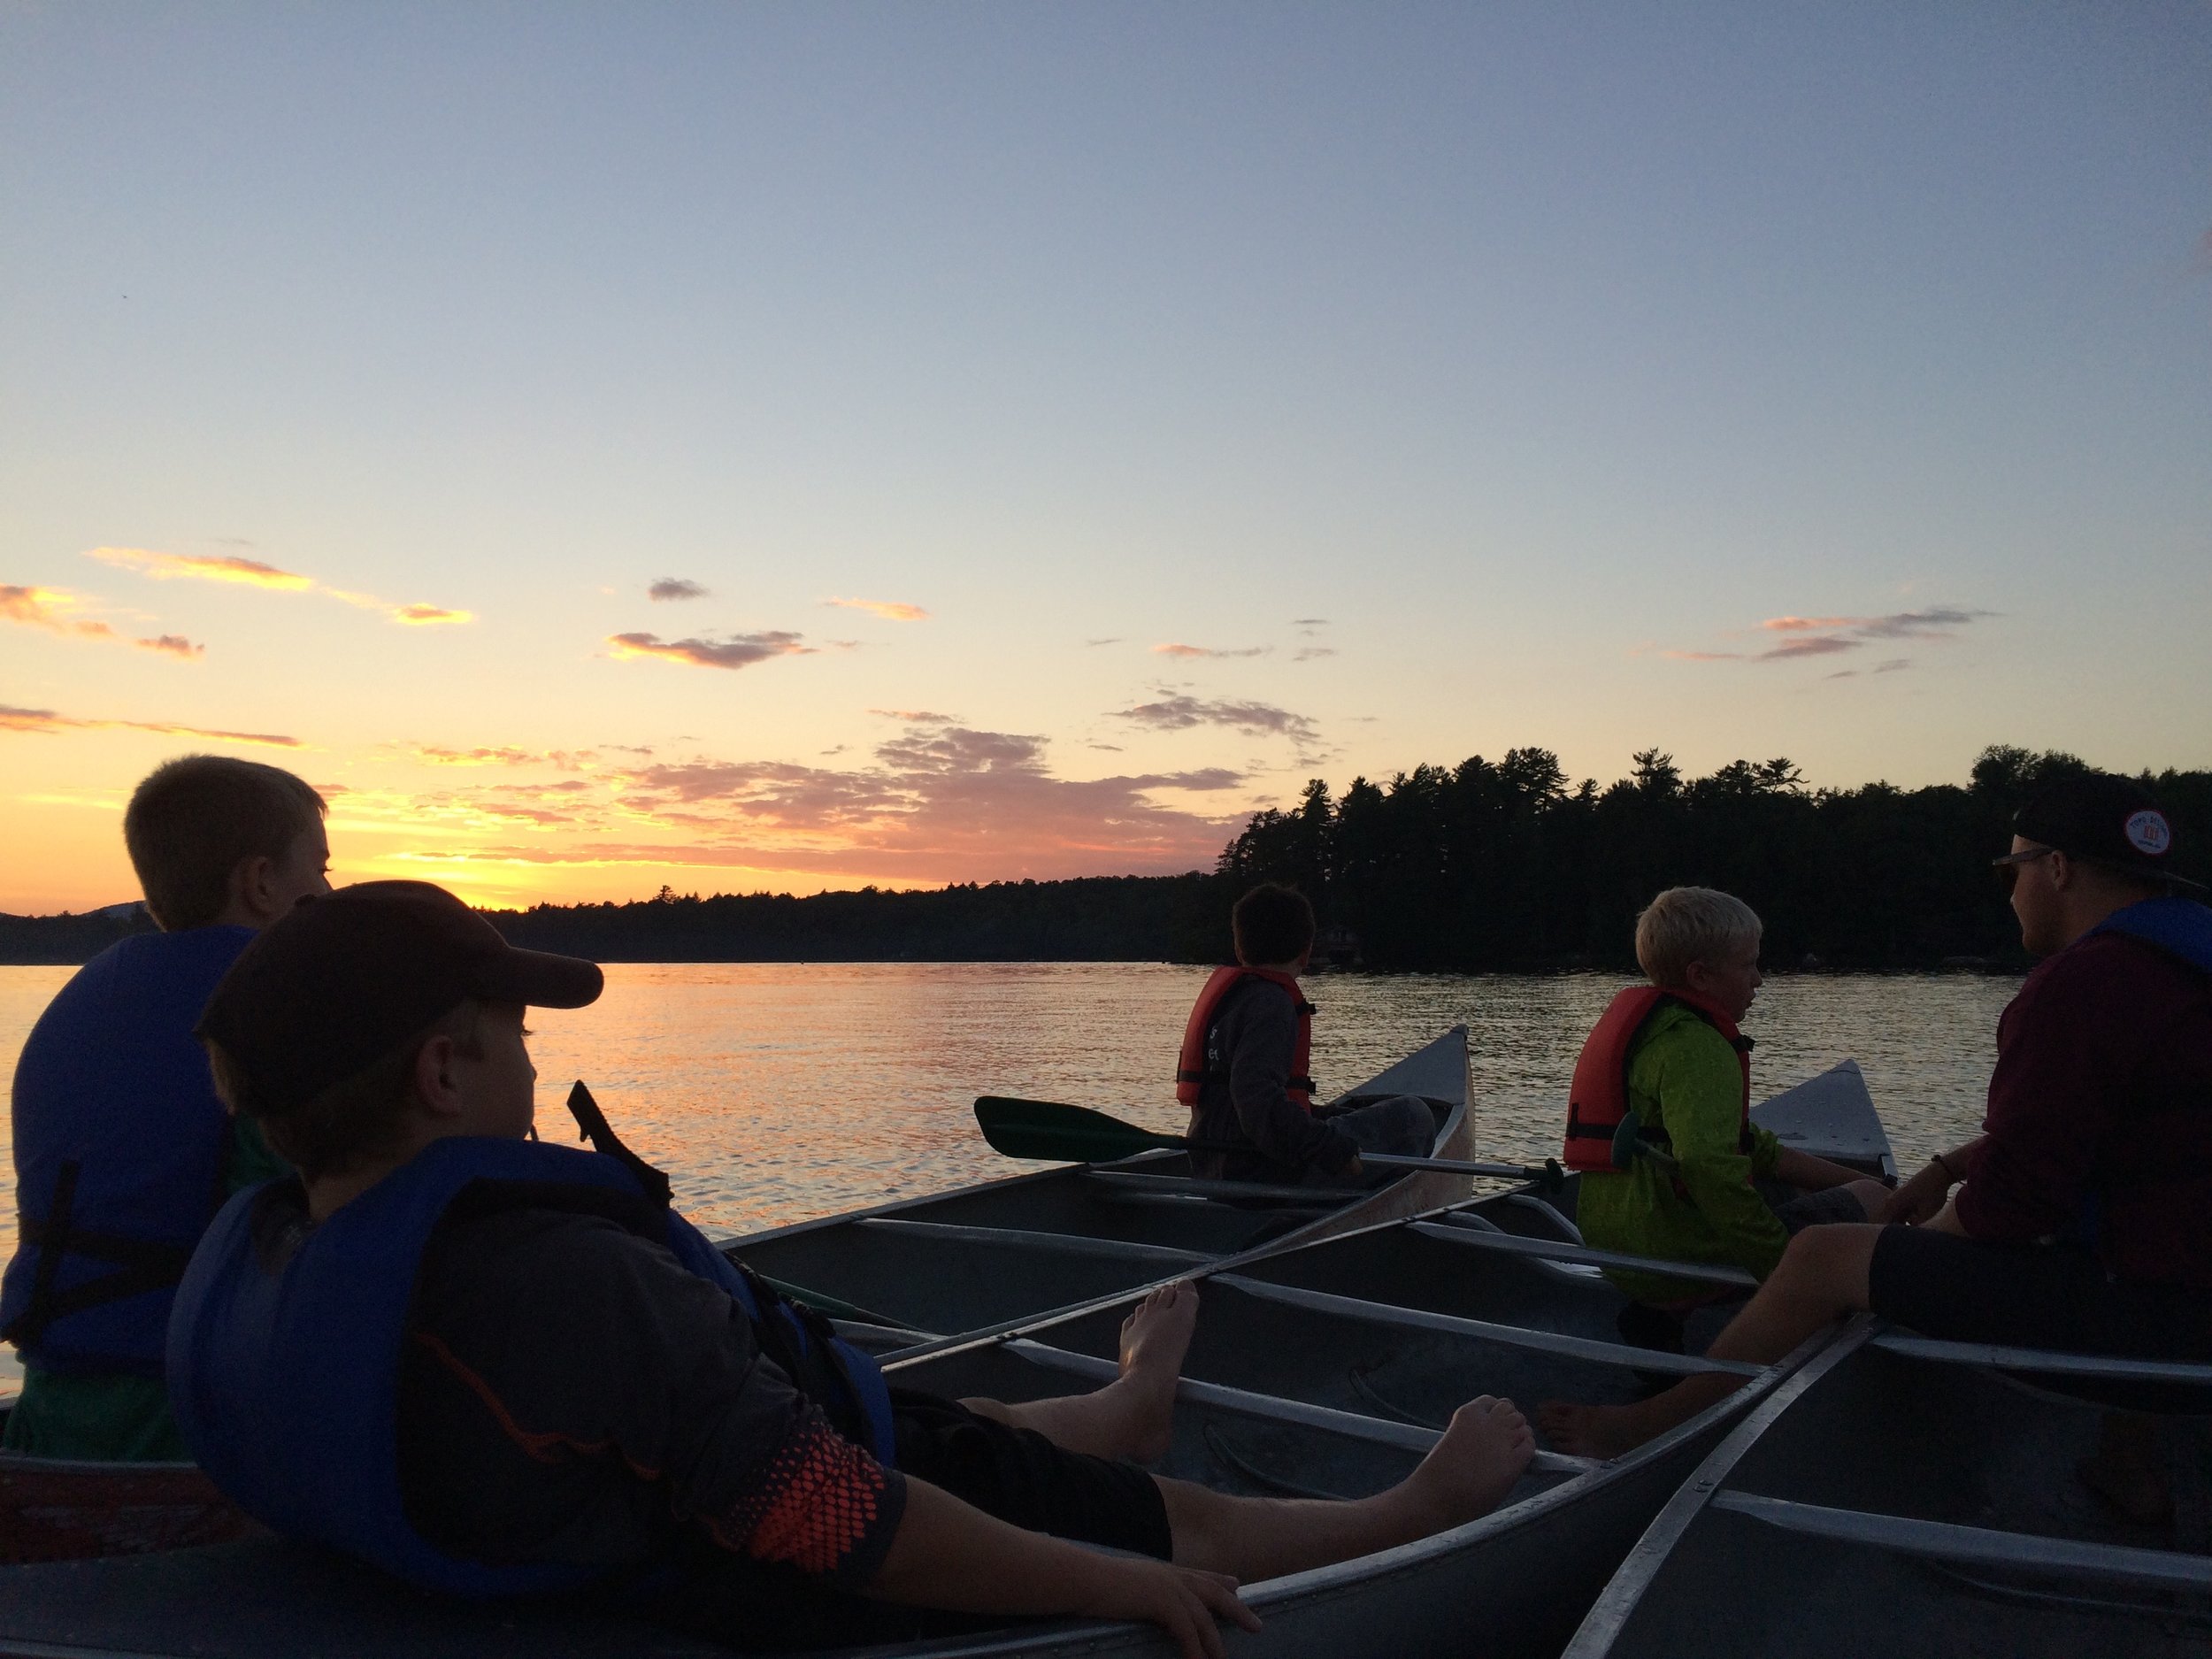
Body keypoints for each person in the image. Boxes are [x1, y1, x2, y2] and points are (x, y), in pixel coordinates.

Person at [171, 881, 1536, 1658]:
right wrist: (1110, 1577)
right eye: (517, 1029)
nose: (534, 1056)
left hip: (650, 1490)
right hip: (758, 1547)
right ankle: (1405, 1508)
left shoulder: (281, 1250)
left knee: (936, 1412)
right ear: (443, 1069)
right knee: (1170, 1517)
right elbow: (840, 1521)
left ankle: (1116, 1405)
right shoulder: (566, 1288)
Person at [1540, 775, 2212, 1488]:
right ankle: (2130, 1467)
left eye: (2008, 870)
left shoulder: (2079, 990)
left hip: (2161, 1333)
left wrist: (1893, 1249)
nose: (2010, 891)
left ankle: (1646, 1425)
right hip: (2177, 1297)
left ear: (2057, 868)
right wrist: (1945, 1166)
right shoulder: (2182, 967)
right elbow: (2122, 1133)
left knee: (1823, 1255)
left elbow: (2011, 1207)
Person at [0, 755, 328, 1460]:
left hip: (52, 1407)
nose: (329, 892)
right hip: (194, 1415)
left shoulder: (85, 997)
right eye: (321, 868)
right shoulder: (275, 1009)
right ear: (261, 881)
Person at [1560, 887, 1889, 1348]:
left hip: (1619, 1250)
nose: (1759, 980)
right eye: (1748, 965)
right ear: (1700, 976)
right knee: (1873, 1200)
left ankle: (1660, 1318)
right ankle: (1709, 1313)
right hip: (1677, 1255)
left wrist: (1845, 1177)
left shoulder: (1654, 1031)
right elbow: (1708, 1166)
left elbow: (1745, 1145)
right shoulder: (1701, 1048)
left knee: (1838, 1187)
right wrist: (1783, 1268)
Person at [1177, 883, 1433, 1187]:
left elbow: (1239, 1102)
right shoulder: (1271, 1004)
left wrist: (1320, 1117)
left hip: (1213, 1165)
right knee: (1414, 1114)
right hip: (1260, 1174)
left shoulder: (1232, 1000)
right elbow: (1254, 1098)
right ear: (1306, 952)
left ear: (1239, 948)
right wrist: (1329, 1148)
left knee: (1345, 1117)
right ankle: (1378, 1194)